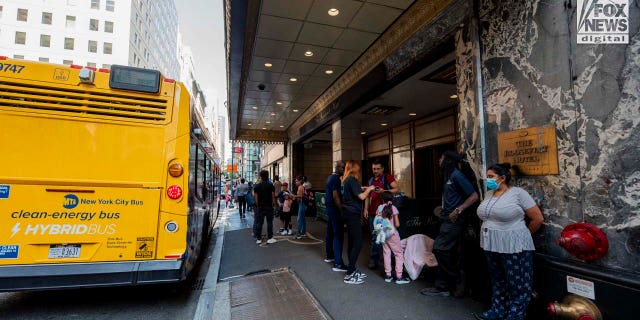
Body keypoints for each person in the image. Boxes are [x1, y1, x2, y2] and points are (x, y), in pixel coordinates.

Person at [472, 163, 543, 320]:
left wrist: (522, 235)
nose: (487, 180)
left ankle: (516, 314)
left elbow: (537, 218)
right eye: (487, 176)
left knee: (517, 282)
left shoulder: (518, 193)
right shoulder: (490, 194)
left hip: (514, 245)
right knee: (498, 279)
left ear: (502, 178)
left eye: (490, 177)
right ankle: (498, 309)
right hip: (491, 243)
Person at [421, 151, 479, 297]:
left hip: (455, 221)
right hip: (446, 219)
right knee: (446, 251)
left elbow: (474, 196)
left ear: (447, 161)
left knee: (439, 248)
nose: (439, 161)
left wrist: (459, 209)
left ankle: (456, 278)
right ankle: (442, 286)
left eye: (441, 158)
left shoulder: (456, 175)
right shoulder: (448, 176)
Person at [341, 160, 376, 284]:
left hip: (348, 214)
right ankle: (350, 273)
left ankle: (352, 269)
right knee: (358, 242)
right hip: (352, 215)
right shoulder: (351, 179)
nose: (359, 169)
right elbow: (361, 196)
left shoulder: (348, 180)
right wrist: (370, 188)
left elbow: (357, 191)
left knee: (352, 242)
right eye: (358, 167)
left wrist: (363, 188)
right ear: (354, 168)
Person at [363, 159, 400, 270]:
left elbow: (397, 189)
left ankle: (386, 261)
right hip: (373, 213)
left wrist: (383, 191)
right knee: (375, 238)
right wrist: (365, 209)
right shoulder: (370, 181)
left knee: (388, 237)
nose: (376, 171)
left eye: (378, 169)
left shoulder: (387, 177)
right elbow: (368, 196)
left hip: (385, 214)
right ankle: (379, 260)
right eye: (374, 169)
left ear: (382, 169)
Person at [374, 192, 410, 284]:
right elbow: (397, 224)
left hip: (383, 234)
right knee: (398, 254)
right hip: (393, 235)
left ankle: (388, 275)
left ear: (382, 199)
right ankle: (399, 276)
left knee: (386, 253)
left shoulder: (380, 208)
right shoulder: (393, 208)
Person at [324, 161, 348, 272]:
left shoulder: (330, 177)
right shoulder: (336, 179)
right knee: (338, 234)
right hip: (334, 209)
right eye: (343, 168)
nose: (344, 170)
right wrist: (341, 209)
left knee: (330, 232)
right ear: (337, 168)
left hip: (329, 209)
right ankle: (338, 263)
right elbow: (336, 196)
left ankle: (330, 256)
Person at [253, 170, 277, 245]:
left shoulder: (257, 186)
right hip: (269, 207)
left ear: (261, 176)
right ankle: (270, 238)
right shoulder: (271, 185)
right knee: (269, 222)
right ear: (267, 176)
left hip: (260, 207)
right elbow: (273, 197)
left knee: (259, 223)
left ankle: (258, 239)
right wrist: (274, 205)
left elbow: (256, 199)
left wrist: (258, 205)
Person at [293, 175, 310, 239]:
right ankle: (303, 232)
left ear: (300, 181)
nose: (295, 182)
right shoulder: (302, 187)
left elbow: (300, 196)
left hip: (302, 204)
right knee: (303, 219)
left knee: (299, 219)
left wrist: (293, 196)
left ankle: (299, 234)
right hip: (303, 204)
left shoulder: (300, 187)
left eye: (296, 181)